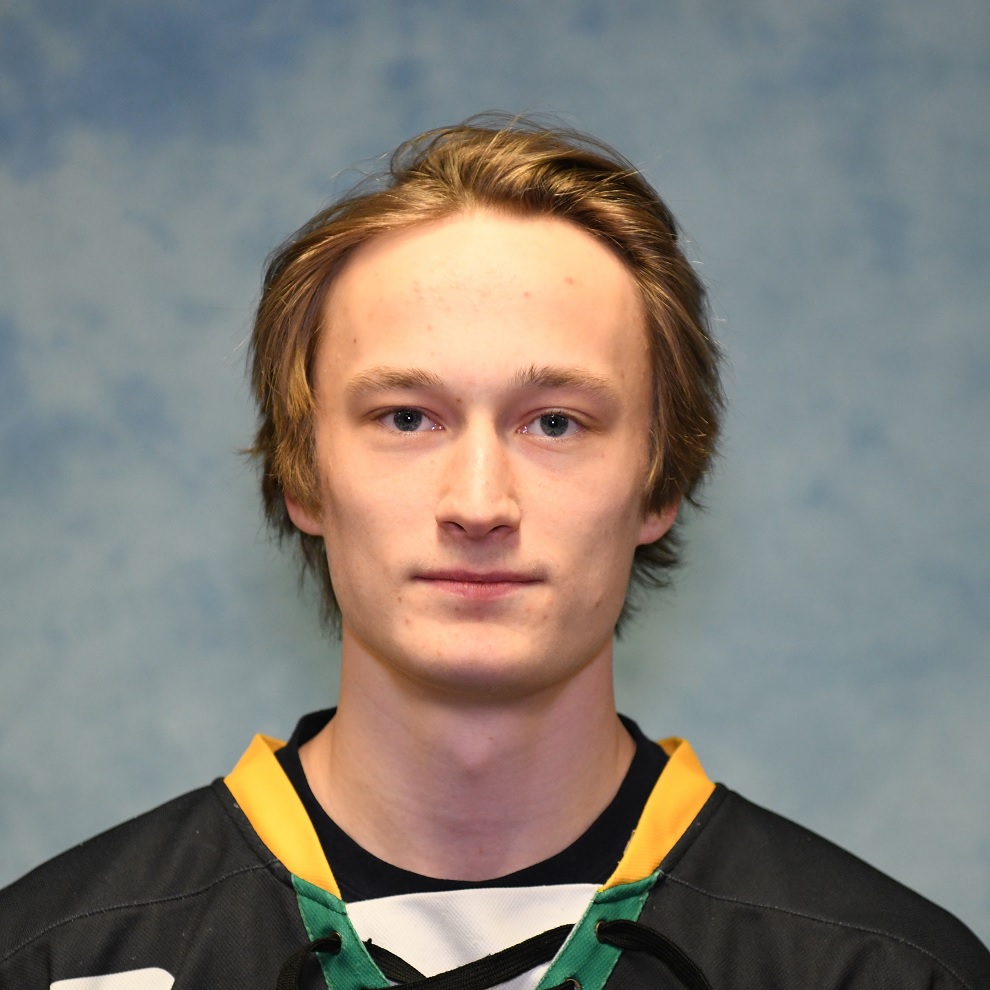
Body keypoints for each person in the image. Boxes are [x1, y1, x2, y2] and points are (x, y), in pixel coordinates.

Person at [1, 115, 987, 990]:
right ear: (304, 476)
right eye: (406, 416)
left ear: (660, 484)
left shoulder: (885, 972)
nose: (478, 504)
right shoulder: (49, 960)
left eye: (555, 422)